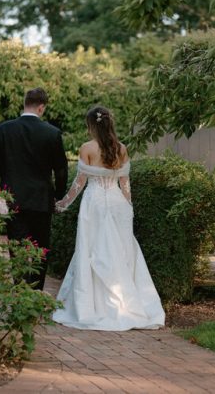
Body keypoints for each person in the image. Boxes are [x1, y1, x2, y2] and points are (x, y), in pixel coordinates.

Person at [52, 105, 165, 331]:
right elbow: (125, 184)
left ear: (90, 125)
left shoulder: (87, 148)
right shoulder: (121, 148)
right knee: (120, 250)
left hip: (93, 203)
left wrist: (63, 203)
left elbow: (79, 182)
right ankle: (125, 304)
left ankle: (90, 306)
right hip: (117, 204)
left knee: (91, 248)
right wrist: (129, 207)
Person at [0, 87, 68, 290]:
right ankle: (36, 292)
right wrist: (57, 195)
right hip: (41, 200)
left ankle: (19, 290)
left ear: (25, 104)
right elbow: (61, 169)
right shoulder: (52, 133)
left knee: (16, 246)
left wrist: (9, 174)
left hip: (13, 198)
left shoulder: (3, 130)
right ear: (41, 107)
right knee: (41, 249)